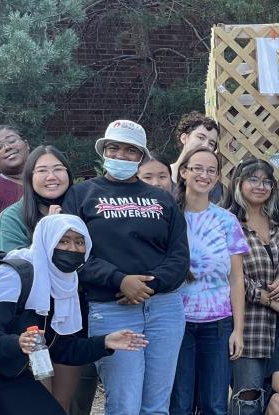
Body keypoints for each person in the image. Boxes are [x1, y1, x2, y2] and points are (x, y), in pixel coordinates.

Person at [0, 214, 149, 414]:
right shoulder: (12, 276)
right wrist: (17, 343)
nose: (72, 249)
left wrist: (105, 342)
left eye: (79, 242)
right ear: (47, 241)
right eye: (63, 241)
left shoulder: (65, 282)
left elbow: (61, 348)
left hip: (11, 373)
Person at [62, 119, 190, 414]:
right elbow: (72, 256)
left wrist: (150, 285)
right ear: (103, 151)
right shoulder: (81, 196)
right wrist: (119, 280)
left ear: (141, 157)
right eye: (114, 148)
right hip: (111, 309)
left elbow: (180, 256)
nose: (120, 155)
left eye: (130, 150)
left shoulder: (162, 199)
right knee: (124, 405)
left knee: (157, 407)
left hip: (164, 309)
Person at [0, 145, 98, 414]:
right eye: (42, 170)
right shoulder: (13, 217)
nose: (51, 176)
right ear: (29, 178)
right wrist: (46, 236)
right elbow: (14, 268)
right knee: (39, 400)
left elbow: (90, 261)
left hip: (72, 319)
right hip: (32, 324)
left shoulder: (84, 211)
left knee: (69, 399)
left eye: (58, 169)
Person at [223, 157, 279, 415]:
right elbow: (230, 276)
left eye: (266, 182)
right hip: (249, 327)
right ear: (238, 183)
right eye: (253, 180)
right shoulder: (229, 223)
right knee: (248, 396)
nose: (260, 186)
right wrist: (272, 300)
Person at [169, 146, 248, 415]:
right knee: (180, 403)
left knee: (215, 404)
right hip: (176, 322)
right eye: (197, 168)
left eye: (211, 171)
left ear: (216, 178)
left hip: (217, 324)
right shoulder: (170, 217)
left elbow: (237, 279)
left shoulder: (227, 221)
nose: (204, 175)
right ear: (183, 172)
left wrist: (238, 329)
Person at [171, 111, 225, 202]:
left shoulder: (210, 184)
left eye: (211, 143)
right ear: (184, 138)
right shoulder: (163, 174)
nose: (205, 145)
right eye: (201, 137)